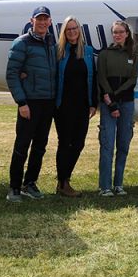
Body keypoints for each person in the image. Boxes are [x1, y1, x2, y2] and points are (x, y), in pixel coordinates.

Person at [4, 6, 58, 202]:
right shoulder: (22, 43)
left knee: (40, 146)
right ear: (31, 21)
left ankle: (30, 183)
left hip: (48, 102)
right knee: (22, 145)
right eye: (39, 19)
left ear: (50, 22)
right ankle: (14, 187)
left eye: (45, 19)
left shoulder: (53, 43)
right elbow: (11, 74)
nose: (42, 22)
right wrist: (21, 102)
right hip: (30, 103)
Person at [52, 15, 96, 197]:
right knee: (65, 143)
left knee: (78, 144)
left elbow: (93, 77)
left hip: (82, 106)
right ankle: (63, 183)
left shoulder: (87, 51)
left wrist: (93, 103)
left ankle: (64, 180)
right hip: (63, 106)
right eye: (68, 29)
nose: (72, 32)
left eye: (74, 28)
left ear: (79, 30)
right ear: (64, 32)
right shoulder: (58, 51)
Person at [96, 20, 138, 196]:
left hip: (127, 103)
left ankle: (118, 184)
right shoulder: (105, 54)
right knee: (107, 144)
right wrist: (110, 101)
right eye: (115, 32)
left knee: (123, 144)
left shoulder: (134, 55)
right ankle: (105, 187)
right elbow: (101, 78)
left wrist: (117, 95)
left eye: (121, 32)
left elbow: (133, 79)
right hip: (108, 104)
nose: (118, 35)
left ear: (127, 34)